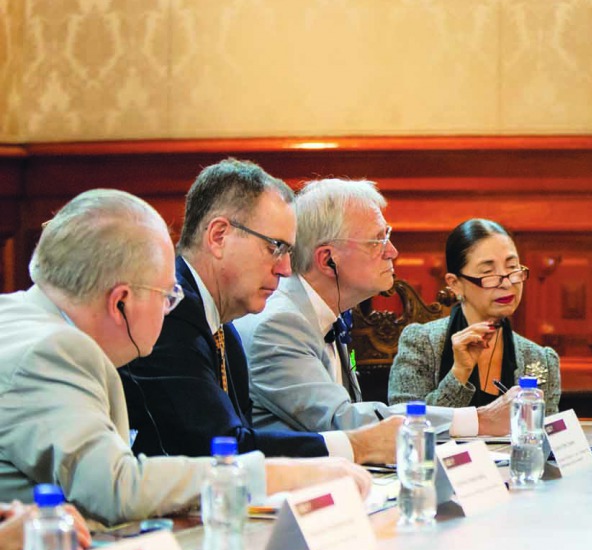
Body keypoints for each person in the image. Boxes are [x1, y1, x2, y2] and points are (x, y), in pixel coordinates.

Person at [0, 189, 369, 526]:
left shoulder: (19, 316)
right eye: (166, 295)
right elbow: (115, 487)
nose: (169, 308)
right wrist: (281, 475)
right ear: (120, 302)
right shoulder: (55, 350)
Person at [120, 158, 399, 464]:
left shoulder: (222, 325)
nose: (285, 268)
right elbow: (223, 449)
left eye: (288, 251)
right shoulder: (168, 313)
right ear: (218, 236)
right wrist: (356, 446)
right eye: (275, 247)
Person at [236, 179, 513, 435]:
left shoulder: (330, 310)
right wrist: (480, 419)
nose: (392, 251)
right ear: (327, 259)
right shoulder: (278, 325)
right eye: (377, 241)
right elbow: (344, 422)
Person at [388, 218, 561, 414]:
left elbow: (546, 435)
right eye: (488, 272)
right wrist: (459, 373)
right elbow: (405, 423)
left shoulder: (540, 358)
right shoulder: (421, 343)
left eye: (512, 268)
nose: (506, 283)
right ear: (455, 283)